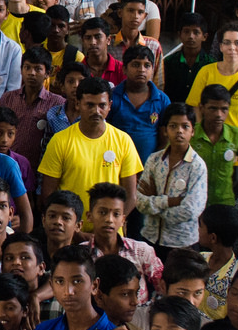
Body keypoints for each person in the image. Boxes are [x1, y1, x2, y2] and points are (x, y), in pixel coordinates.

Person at [37, 77, 140, 212]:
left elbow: (131, 196)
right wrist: (73, 230)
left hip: (110, 231)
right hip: (71, 232)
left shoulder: (123, 141)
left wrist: (112, 224)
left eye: (102, 105)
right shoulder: (59, 141)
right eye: (90, 105)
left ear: (109, 106)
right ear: (78, 104)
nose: (96, 111)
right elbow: (48, 193)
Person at [136, 102, 207, 249]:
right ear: (165, 131)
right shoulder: (154, 160)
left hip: (182, 243)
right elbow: (140, 201)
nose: (179, 131)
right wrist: (169, 201)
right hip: (150, 238)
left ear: (193, 131)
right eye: (173, 126)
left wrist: (155, 203)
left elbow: (190, 210)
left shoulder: (197, 166)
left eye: (185, 126)